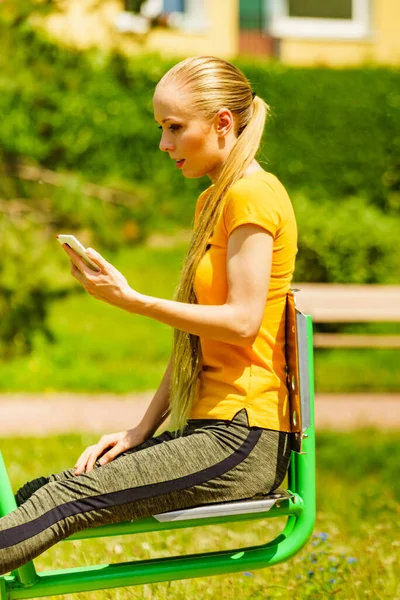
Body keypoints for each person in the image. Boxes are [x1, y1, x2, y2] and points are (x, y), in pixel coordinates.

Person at [0, 55, 297, 575]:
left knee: (65, 499)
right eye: (162, 128)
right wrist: (141, 430)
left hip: (244, 437)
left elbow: (243, 322)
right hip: (212, 429)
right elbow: (197, 335)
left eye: (175, 128)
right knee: (37, 493)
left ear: (223, 123)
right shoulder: (214, 199)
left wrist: (132, 300)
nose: (164, 144)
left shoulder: (253, 196)